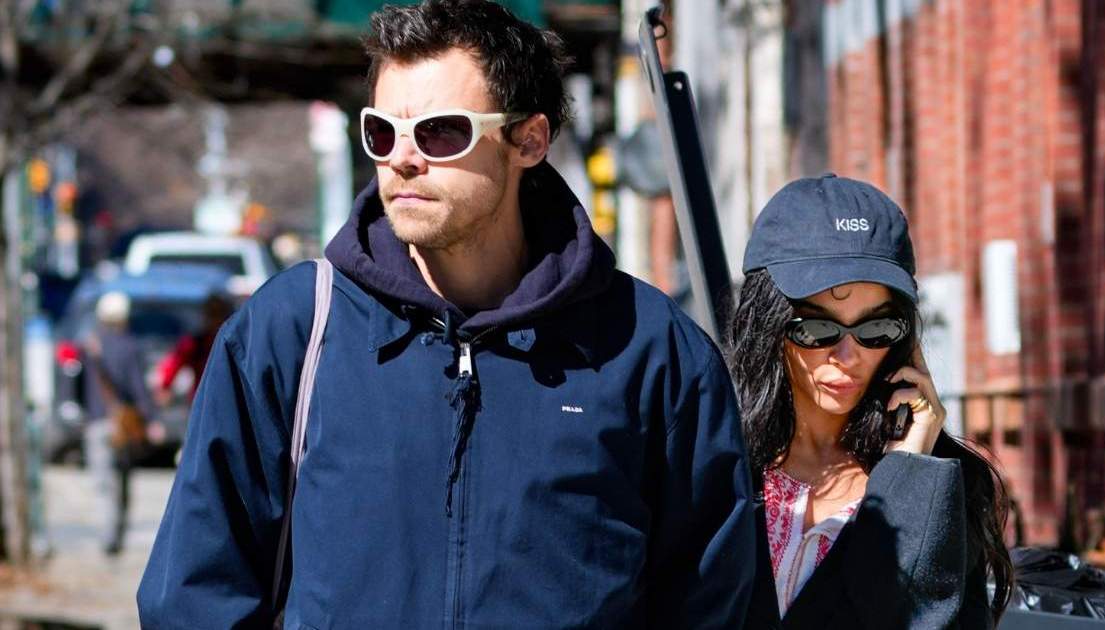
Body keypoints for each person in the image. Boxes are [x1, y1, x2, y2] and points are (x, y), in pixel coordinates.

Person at [137, 1, 754, 627]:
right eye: (383, 133)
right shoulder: (293, 332)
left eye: (440, 132)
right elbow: (193, 596)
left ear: (528, 140)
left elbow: (712, 602)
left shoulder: (649, 348)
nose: (403, 158)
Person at [729, 175, 1013, 628]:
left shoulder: (938, 483)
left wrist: (907, 473)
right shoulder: (717, 466)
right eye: (817, 329)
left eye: (876, 329)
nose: (848, 357)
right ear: (767, 326)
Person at [83, 290, 155, 556]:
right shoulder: (130, 346)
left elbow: (75, 383)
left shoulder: (91, 346)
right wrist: (151, 418)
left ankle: (108, 537)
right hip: (123, 424)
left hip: (96, 421)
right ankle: (117, 534)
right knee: (122, 480)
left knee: (103, 484)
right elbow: (138, 387)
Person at [155, 292, 234, 403]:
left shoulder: (234, 342)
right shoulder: (196, 343)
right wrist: (165, 386)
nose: (215, 319)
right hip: (203, 401)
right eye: (212, 314)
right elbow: (174, 362)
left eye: (218, 313)